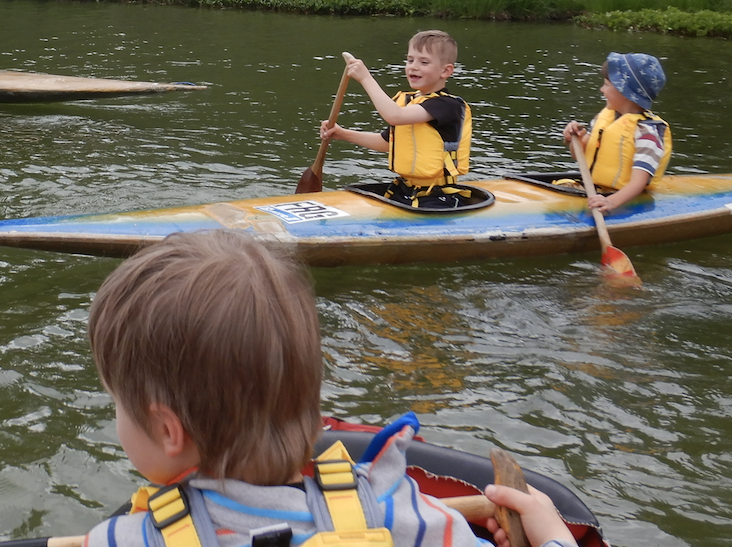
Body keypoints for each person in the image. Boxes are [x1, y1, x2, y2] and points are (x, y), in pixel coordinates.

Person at [82, 229, 578, 547]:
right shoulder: (393, 506)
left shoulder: (128, 538)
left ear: (169, 430)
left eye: (118, 403)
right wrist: (555, 539)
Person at [320, 30, 472, 209]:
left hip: (438, 196)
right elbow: (387, 143)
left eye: (424, 62)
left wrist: (365, 78)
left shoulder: (447, 105)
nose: (413, 66)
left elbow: (394, 116)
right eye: (410, 60)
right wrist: (343, 134)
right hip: (404, 189)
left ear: (446, 71)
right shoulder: (411, 102)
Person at [562, 51, 672, 213]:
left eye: (606, 85)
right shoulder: (607, 116)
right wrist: (575, 140)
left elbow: (639, 181)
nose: (601, 89)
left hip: (620, 198)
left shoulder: (647, 132)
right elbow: (579, 156)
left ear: (625, 92)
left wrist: (611, 202)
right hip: (593, 189)